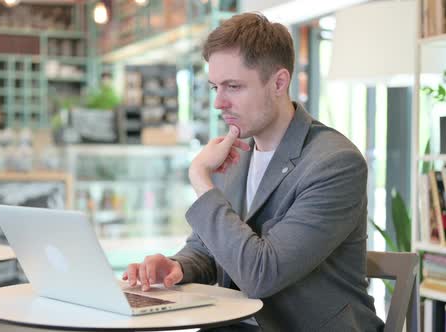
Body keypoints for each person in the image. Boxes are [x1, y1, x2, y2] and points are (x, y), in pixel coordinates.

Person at [123, 13, 384, 332]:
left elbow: (262, 274)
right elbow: (208, 248)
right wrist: (177, 265)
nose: (219, 102)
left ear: (279, 82)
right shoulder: (237, 152)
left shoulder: (335, 162)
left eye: (233, 86)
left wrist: (201, 179)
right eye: (215, 87)